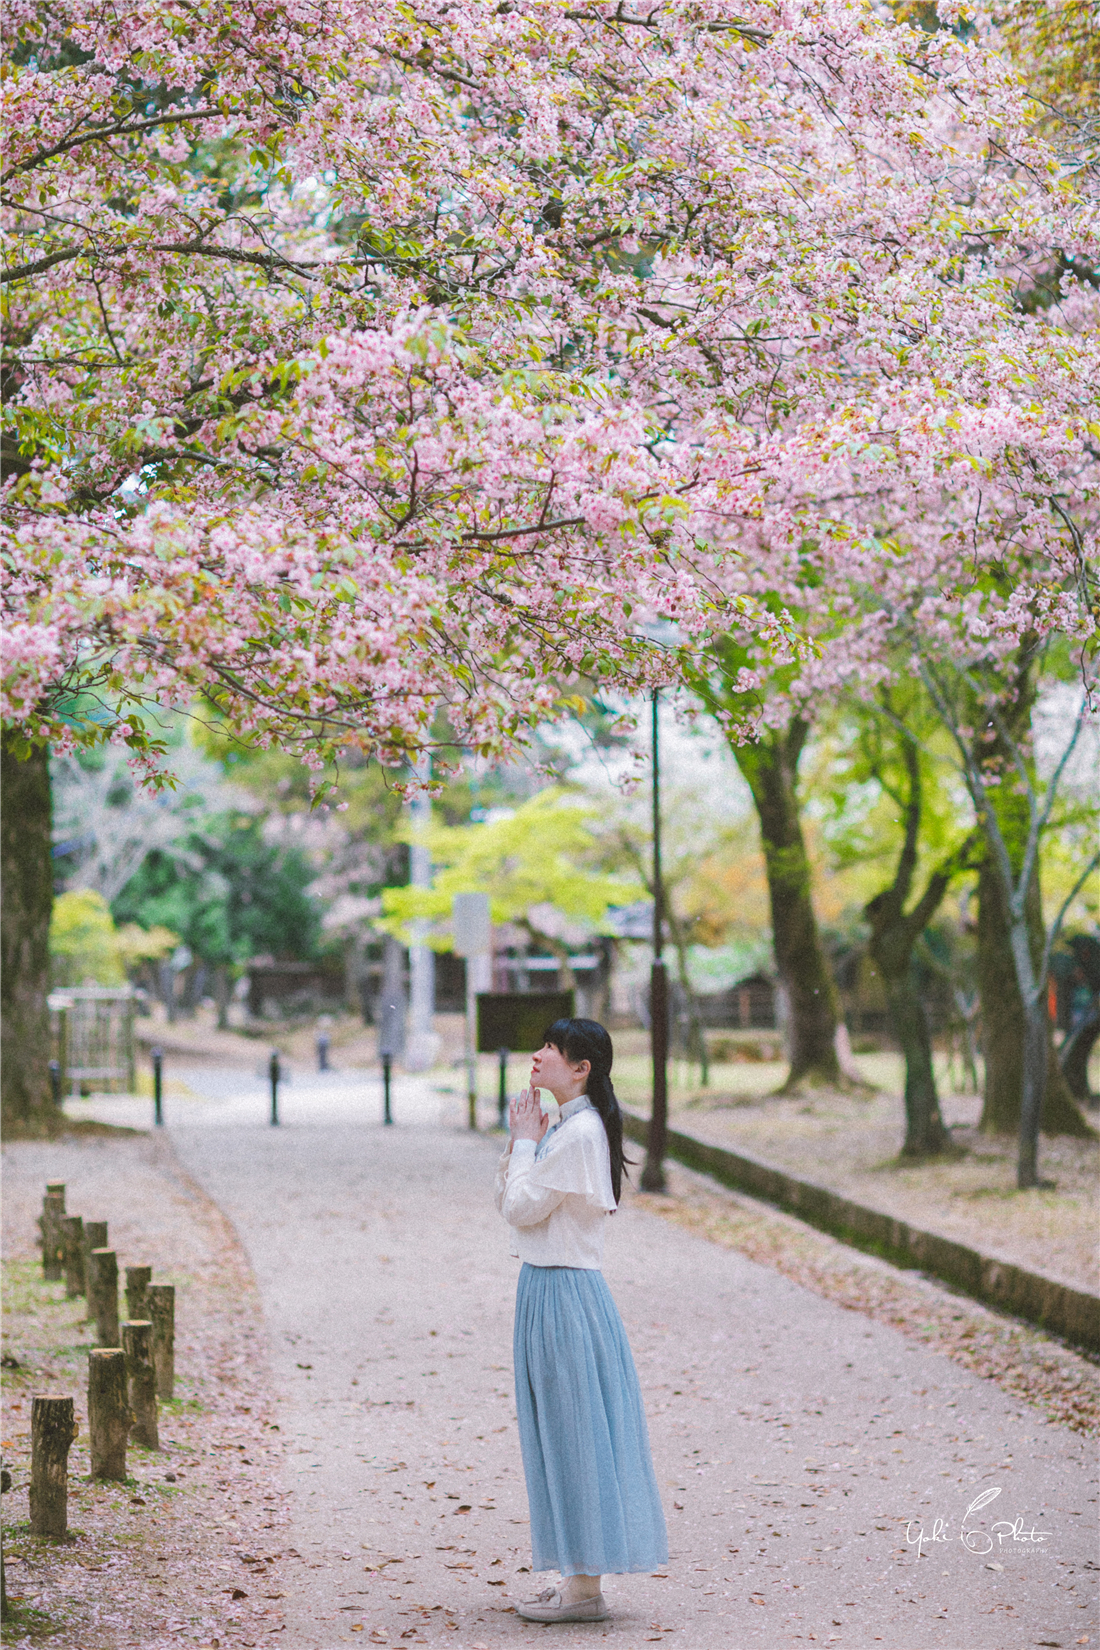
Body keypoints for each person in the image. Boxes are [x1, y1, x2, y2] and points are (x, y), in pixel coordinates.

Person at [494, 1016, 668, 1624]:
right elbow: (518, 1210)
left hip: (563, 1292)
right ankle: (576, 1578)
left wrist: (521, 1141)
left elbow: (519, 1207)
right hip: (551, 1287)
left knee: (575, 1433)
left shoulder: (578, 1134)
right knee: (563, 1431)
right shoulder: (570, 1128)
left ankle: (586, 1588)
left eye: (551, 1048)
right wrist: (526, 1140)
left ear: (581, 1067)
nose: (538, 1055)